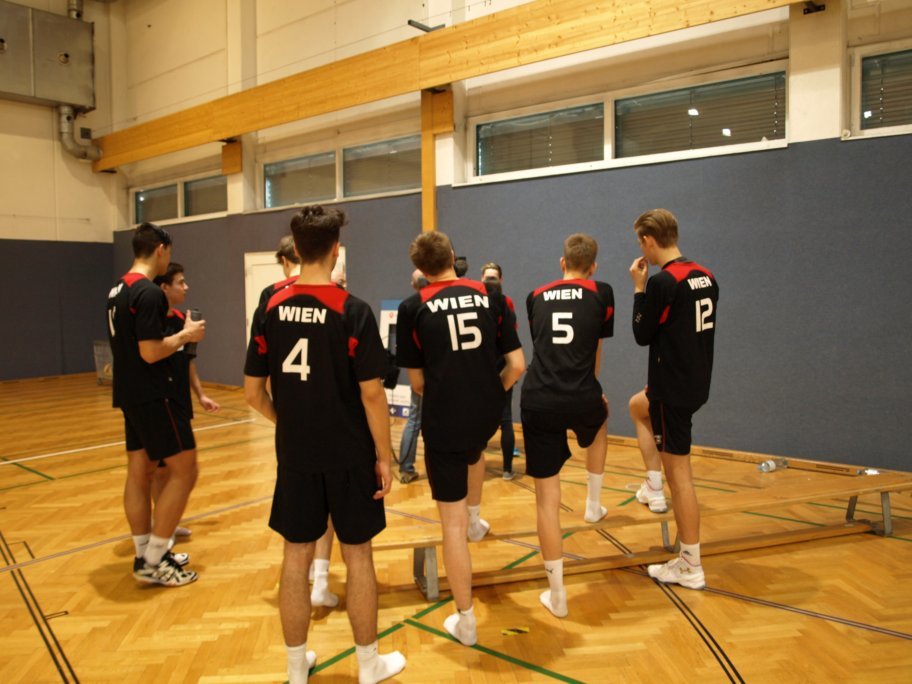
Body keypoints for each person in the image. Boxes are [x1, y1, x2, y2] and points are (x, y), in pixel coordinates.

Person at [244, 205, 405, 684]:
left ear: (295, 249)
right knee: (358, 556)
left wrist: (288, 422)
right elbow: (372, 394)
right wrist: (384, 457)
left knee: (295, 557)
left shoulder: (269, 305)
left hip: (296, 455)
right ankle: (368, 665)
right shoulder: (352, 310)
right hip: (350, 454)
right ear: (336, 250)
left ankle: (297, 670)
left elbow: (253, 393)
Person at [396, 231, 525, 646]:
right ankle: (475, 519)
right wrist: (492, 394)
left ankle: (466, 620)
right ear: (453, 256)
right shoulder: (493, 296)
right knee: (475, 453)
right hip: (485, 417)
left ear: (421, 269)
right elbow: (517, 365)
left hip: (444, 421)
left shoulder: (412, 307)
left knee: (448, 527)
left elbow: (417, 383)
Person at [107, 223, 205, 587]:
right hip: (155, 394)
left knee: (140, 471)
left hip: (130, 393)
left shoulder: (118, 289)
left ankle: (145, 551)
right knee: (185, 470)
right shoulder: (147, 292)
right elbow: (150, 352)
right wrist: (185, 335)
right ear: (161, 249)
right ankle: (153, 560)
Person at [520, 234, 614, 617]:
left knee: (547, 499)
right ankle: (593, 504)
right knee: (601, 417)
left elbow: (542, 346)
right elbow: (595, 349)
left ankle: (557, 596)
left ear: (562, 263)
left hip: (538, 398)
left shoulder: (535, 295)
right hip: (581, 395)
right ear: (593, 267)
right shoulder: (602, 293)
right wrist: (593, 389)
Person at [629, 208, 719, 591]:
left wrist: (639, 288)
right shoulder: (705, 275)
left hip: (672, 391)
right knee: (637, 406)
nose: (642, 251)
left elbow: (641, 334)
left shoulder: (663, 282)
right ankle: (652, 484)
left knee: (680, 477)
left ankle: (690, 564)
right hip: (694, 381)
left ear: (649, 241)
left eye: (641, 243)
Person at [260, 235, 339, 608]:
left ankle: (303, 575)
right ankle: (320, 578)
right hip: (332, 420)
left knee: (297, 517)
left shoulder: (271, 299)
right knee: (329, 507)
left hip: (293, 424)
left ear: (285, 260)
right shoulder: (335, 295)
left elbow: (259, 377)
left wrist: (282, 417)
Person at [151, 263, 221, 541]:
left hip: (180, 403)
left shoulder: (184, 320)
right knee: (163, 470)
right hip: (160, 403)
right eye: (180, 282)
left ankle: (166, 522)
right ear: (164, 287)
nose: (186, 287)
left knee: (182, 470)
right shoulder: (152, 323)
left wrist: (200, 394)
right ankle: (161, 528)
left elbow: (188, 363)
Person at [480, 262, 520, 480]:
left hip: (499, 367)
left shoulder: (504, 303)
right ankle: (496, 466)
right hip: (487, 368)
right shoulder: (503, 303)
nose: (489, 281)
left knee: (504, 419)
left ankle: (506, 468)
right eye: (487, 277)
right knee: (499, 418)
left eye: (492, 277)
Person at [397, 269, 429, 484]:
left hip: (419, 370)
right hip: (437, 369)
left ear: (414, 284)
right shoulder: (437, 302)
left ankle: (406, 468)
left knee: (415, 419)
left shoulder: (408, 306)